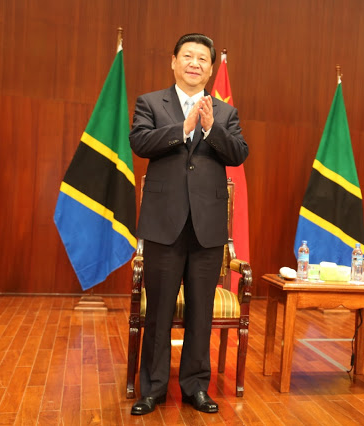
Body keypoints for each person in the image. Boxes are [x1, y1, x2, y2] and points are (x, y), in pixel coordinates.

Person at [129, 33, 249, 415]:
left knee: (200, 314)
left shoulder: (225, 113)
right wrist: (183, 128)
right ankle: (153, 388)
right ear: (174, 61)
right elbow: (140, 142)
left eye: (202, 59)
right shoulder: (151, 103)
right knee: (158, 312)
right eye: (188, 56)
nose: (195, 63)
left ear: (211, 69)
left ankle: (196, 386)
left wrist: (211, 129)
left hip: (207, 228)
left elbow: (239, 154)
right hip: (163, 224)